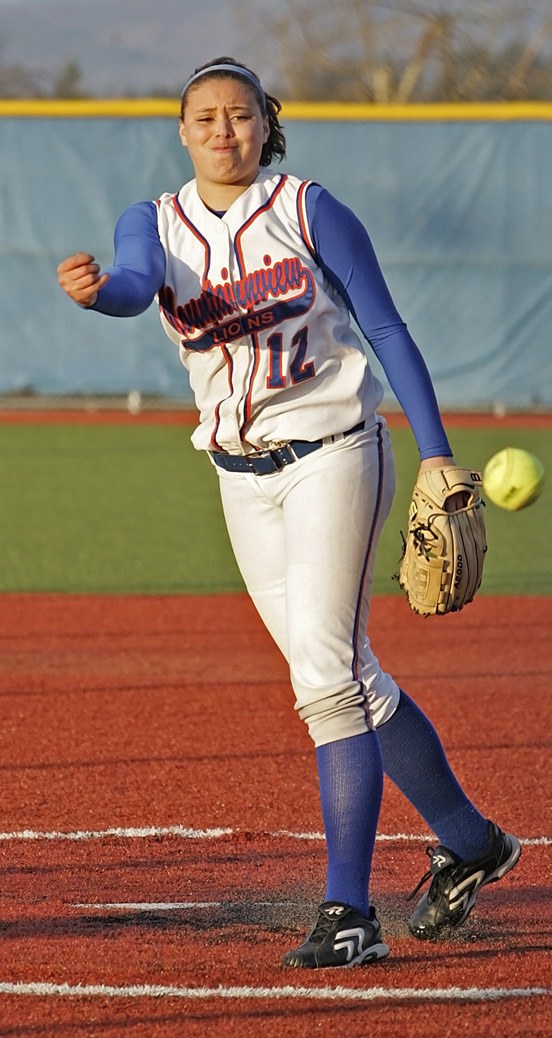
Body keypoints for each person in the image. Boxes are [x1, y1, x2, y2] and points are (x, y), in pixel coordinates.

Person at [57, 57, 520, 969]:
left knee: (323, 679)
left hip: (335, 454)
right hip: (239, 477)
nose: (223, 130)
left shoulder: (309, 209)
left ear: (267, 125)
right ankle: (474, 845)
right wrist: (96, 290)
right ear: (182, 132)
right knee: (349, 673)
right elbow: (133, 280)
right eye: (204, 118)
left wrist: (435, 454)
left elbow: (385, 328)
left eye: (240, 115)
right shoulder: (154, 221)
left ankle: (350, 912)